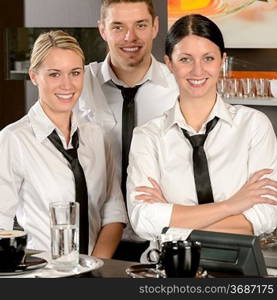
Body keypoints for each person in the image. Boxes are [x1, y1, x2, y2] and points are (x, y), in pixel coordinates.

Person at [127, 14, 277, 246]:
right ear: (169, 63)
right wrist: (233, 205)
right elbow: (143, 220)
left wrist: (171, 226)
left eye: (208, 58)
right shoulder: (148, 136)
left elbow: (265, 216)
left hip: (240, 270)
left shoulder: (254, 126)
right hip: (167, 268)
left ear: (222, 60)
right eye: (185, 59)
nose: (198, 71)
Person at [0, 30, 127, 258]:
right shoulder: (13, 140)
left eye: (75, 73)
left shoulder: (97, 136)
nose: (67, 85)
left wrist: (93, 267)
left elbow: (113, 212)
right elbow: (1, 223)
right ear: (34, 76)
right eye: (54, 74)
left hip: (95, 272)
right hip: (40, 276)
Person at [78, 0, 179, 261]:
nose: (129, 37)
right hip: (91, 241)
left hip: (162, 242)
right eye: (118, 26)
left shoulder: (180, 87)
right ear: (102, 29)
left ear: (155, 27)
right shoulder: (77, 85)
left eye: (140, 25)